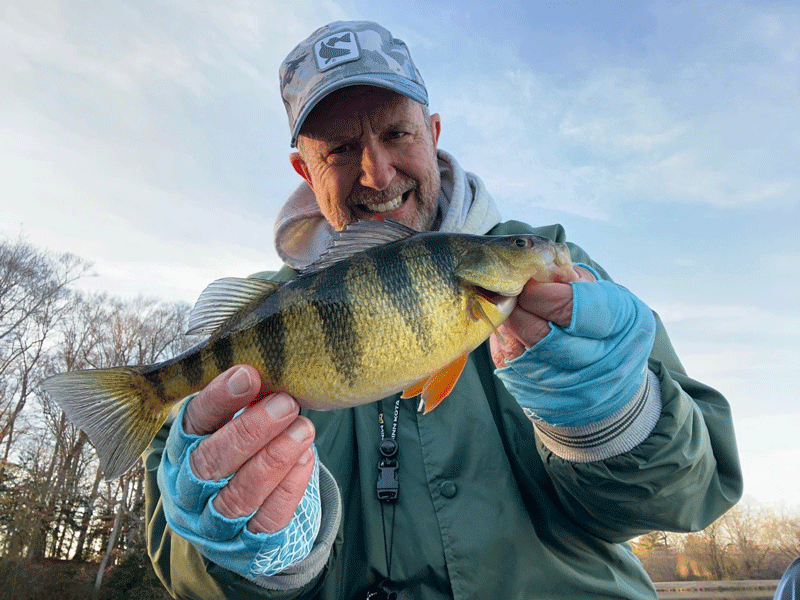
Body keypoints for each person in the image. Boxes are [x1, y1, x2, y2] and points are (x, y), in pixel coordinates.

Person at [143, 21, 743, 600]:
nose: (377, 173)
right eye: (341, 149)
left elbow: (689, 496)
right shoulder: (259, 316)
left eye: (396, 134)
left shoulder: (559, 282)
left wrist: (616, 417)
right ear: (305, 168)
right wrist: (256, 555)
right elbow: (183, 564)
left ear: (432, 134)